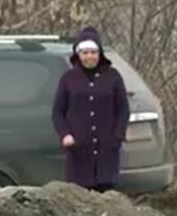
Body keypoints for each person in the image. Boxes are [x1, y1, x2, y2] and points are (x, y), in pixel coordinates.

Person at [51, 26, 130, 193]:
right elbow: (58, 112)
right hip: (79, 151)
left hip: (107, 151)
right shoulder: (69, 79)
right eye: (85, 53)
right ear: (78, 55)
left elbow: (123, 109)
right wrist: (65, 134)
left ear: (99, 54)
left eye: (93, 53)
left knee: (106, 196)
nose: (89, 57)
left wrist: (118, 135)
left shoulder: (113, 76)